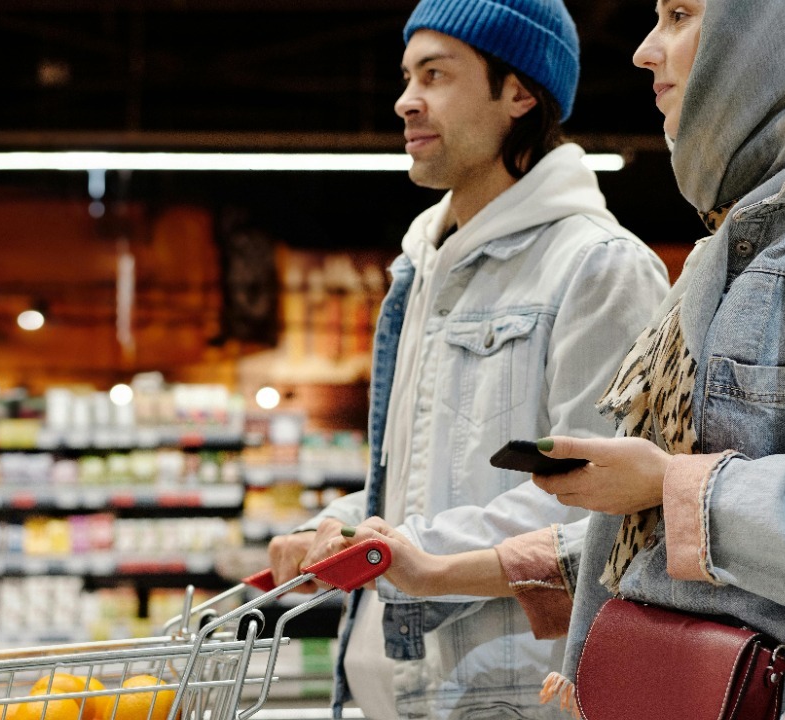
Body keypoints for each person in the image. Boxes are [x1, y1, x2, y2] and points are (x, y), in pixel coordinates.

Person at [349, 0, 785, 717]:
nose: (644, 49)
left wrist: (670, 485)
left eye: (678, 15)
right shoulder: (728, 251)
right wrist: (444, 570)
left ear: (772, 40)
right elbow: (654, 525)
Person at [266, 0, 669, 717]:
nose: (405, 100)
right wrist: (336, 526)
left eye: (436, 74)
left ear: (518, 92)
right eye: (406, 75)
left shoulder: (598, 268)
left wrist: (395, 547)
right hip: (395, 688)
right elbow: (420, 489)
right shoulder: (422, 266)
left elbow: (599, 514)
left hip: (510, 692)